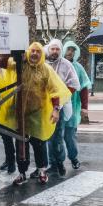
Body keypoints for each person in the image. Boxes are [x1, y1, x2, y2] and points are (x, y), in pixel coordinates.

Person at [0, 43, 70, 185]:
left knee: (38, 142)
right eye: (32, 51)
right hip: (19, 112)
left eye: (38, 51)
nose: (35, 54)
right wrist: (11, 52)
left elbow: (54, 90)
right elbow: (1, 63)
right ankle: (22, 173)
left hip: (38, 112)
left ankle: (42, 170)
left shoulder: (46, 69)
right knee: (21, 142)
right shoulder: (19, 65)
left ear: (42, 54)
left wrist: (56, 109)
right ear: (28, 52)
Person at [44, 39, 79, 176]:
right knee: (46, 136)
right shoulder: (43, 63)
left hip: (60, 105)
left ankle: (59, 162)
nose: (55, 51)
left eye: (57, 49)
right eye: (52, 49)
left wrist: (62, 97)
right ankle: (51, 163)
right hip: (44, 105)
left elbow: (74, 84)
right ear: (48, 49)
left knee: (57, 136)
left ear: (60, 50)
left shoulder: (66, 65)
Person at [62, 41, 92, 169]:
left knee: (70, 135)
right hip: (56, 106)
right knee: (54, 137)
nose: (70, 52)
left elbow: (84, 88)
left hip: (72, 107)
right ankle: (55, 162)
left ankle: (73, 158)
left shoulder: (78, 68)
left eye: (73, 50)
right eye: (68, 49)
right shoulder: (57, 65)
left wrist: (85, 107)